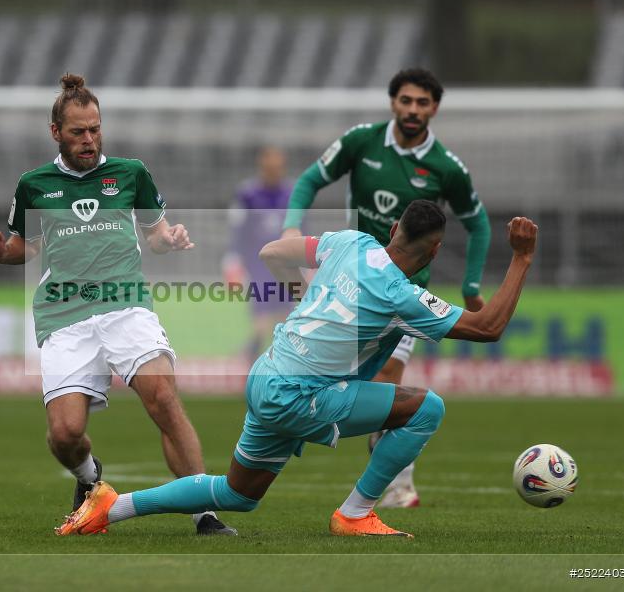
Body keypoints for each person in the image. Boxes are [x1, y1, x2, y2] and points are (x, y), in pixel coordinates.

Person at [56, 201, 537, 538]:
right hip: (299, 395)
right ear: (433, 253)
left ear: (394, 230)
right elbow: (489, 326)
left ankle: (110, 506)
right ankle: (355, 515)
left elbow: (270, 253)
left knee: (238, 494)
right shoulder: (403, 297)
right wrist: (520, 258)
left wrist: (300, 295)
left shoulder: (349, 242)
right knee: (426, 408)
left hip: (267, 375)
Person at [0, 74, 235, 535]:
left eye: (95, 128)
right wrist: (1, 252)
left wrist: (169, 239)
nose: (89, 139)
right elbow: (26, 247)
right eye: (78, 131)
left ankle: (203, 512)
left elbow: (155, 235)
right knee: (65, 435)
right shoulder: (34, 184)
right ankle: (90, 479)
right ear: (56, 132)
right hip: (63, 315)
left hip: (126, 305)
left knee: (164, 400)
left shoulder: (131, 173)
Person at [281, 68, 491, 508]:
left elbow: (479, 224)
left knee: (388, 377)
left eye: (423, 102)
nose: (413, 109)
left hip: (403, 294)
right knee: (323, 372)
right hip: (349, 282)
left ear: (435, 108)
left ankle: (394, 485)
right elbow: (309, 180)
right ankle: (291, 431)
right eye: (406, 100)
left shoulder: (447, 167)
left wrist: (471, 285)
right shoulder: (361, 141)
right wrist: (290, 229)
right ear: (393, 102)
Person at [222, 147, 296, 363]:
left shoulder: (291, 193)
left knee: (285, 312)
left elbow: (301, 225)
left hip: (284, 262)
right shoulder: (247, 194)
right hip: (257, 262)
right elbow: (237, 228)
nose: (274, 172)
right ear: (262, 167)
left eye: (278, 168)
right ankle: (254, 356)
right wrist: (233, 258)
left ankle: (278, 357)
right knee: (262, 312)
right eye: (269, 168)